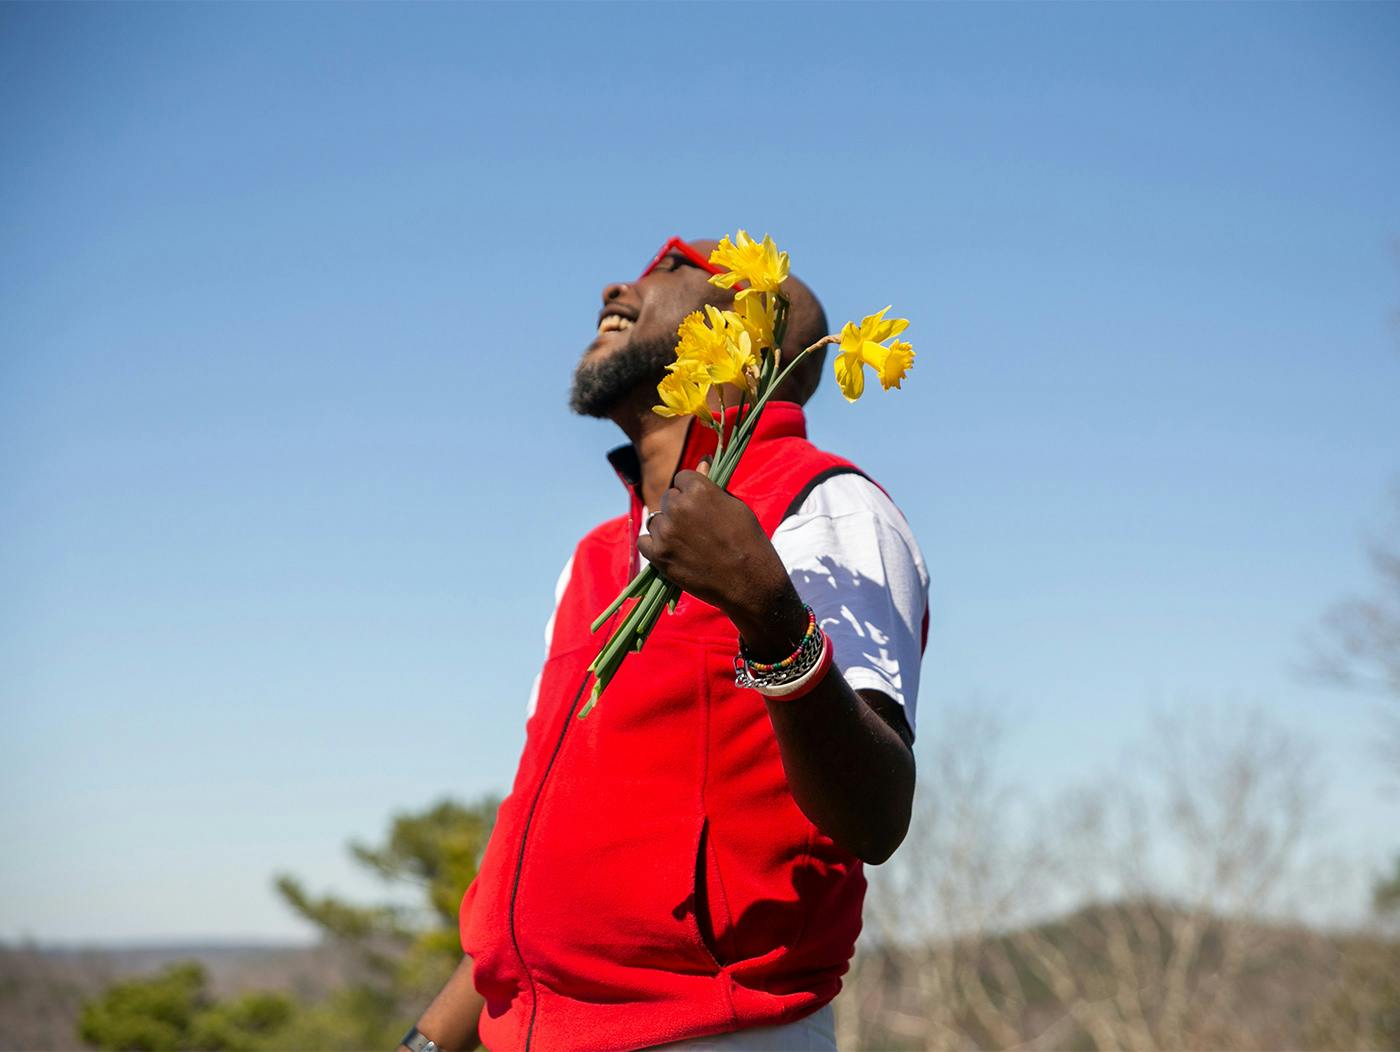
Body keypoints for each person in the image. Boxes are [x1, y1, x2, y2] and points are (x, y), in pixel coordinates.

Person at [400, 238, 928, 1052]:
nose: (621, 280)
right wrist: (431, 1041)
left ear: (750, 334)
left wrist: (770, 613)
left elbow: (877, 815)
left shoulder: (826, 508)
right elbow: (543, 866)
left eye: (674, 266)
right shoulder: (589, 560)